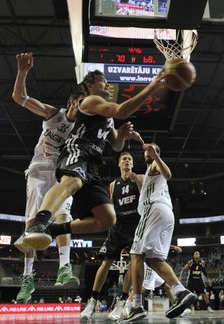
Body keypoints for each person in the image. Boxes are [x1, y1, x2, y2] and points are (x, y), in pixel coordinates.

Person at [18, 67, 165, 251]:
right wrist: (153, 86)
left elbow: (117, 146)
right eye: (103, 80)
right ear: (90, 85)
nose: (108, 84)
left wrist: (122, 136)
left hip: (93, 164)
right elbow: (121, 111)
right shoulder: (90, 100)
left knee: (108, 218)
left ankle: (54, 229)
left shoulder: (107, 118)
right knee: (73, 181)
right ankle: (39, 223)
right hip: (78, 150)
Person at [10, 52, 81, 303]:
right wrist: (22, 72)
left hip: (62, 176)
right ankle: (27, 278)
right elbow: (20, 97)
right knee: (32, 225)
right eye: (78, 102)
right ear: (72, 101)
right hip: (39, 171)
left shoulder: (84, 129)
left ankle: (64, 267)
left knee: (63, 218)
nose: (81, 107)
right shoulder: (54, 114)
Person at [123, 143, 196, 322]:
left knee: (136, 255)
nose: (147, 153)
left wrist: (155, 154)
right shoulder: (150, 178)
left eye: (153, 151)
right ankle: (181, 291)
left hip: (153, 210)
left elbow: (168, 174)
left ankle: (137, 306)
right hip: (166, 214)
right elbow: (142, 186)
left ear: (157, 153)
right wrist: (133, 177)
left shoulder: (155, 165)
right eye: (147, 152)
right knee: (153, 259)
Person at [81, 151, 143, 320]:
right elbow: (110, 205)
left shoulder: (139, 179)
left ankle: (122, 302)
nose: (127, 161)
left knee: (133, 262)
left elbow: (145, 200)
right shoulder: (113, 185)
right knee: (105, 262)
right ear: (119, 164)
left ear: (133, 163)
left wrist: (137, 181)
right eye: (124, 159)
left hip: (135, 227)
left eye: (130, 159)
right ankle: (92, 301)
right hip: (117, 227)